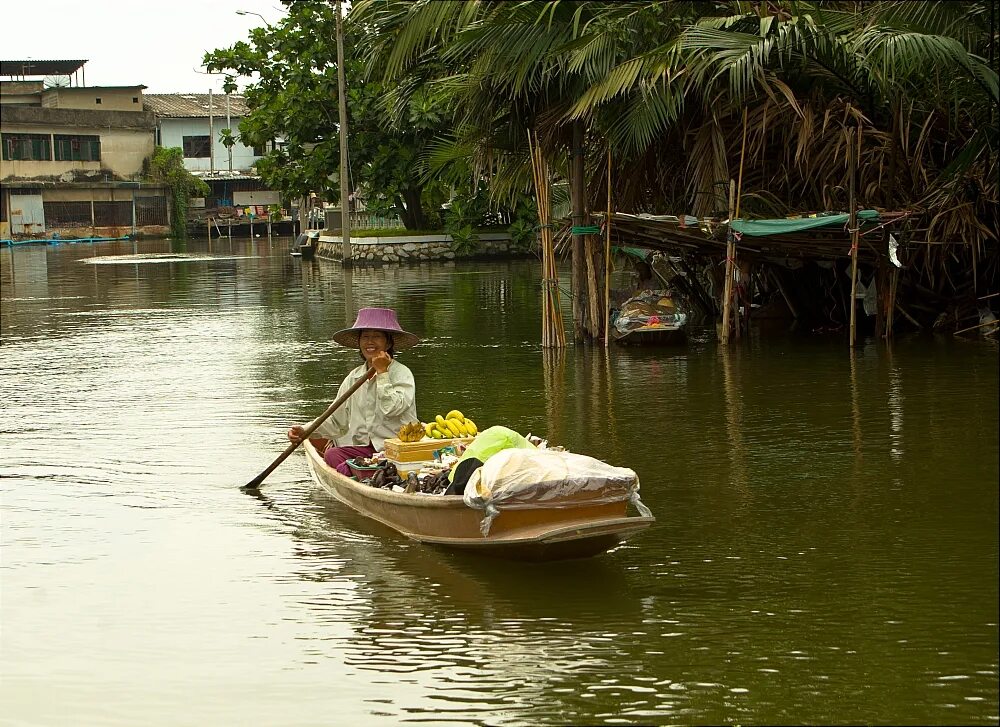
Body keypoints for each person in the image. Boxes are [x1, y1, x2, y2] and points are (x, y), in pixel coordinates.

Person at [287, 307, 419, 476]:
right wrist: (305, 431)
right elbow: (335, 420)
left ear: (389, 343)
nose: (370, 342)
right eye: (365, 337)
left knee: (347, 465)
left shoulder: (402, 374)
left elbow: (392, 408)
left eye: (376, 336)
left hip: (396, 451)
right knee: (332, 454)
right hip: (365, 453)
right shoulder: (354, 377)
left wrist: (382, 374)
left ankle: (361, 476)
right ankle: (362, 475)